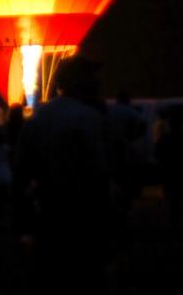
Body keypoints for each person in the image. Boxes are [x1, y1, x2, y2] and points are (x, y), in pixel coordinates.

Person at [14, 55, 110, 292]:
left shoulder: (38, 118)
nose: (97, 82)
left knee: (50, 274)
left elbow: (21, 171)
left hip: (48, 209)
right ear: (79, 82)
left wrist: (23, 216)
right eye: (91, 77)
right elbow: (99, 171)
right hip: (82, 210)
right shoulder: (87, 117)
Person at [156, 107, 183, 230]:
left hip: (169, 173)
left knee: (172, 202)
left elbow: (157, 155)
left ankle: (172, 226)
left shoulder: (164, 139)